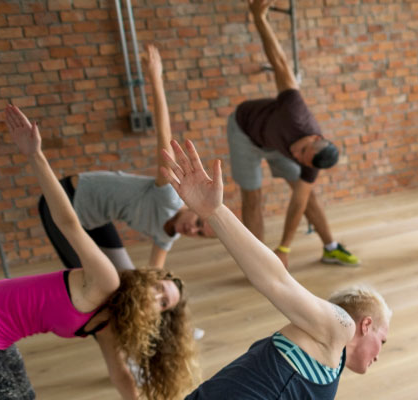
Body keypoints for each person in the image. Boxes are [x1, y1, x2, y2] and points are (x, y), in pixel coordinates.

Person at [0, 104, 198, 400]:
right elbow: (69, 223)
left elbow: (120, 374)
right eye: (159, 289)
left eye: (163, 303)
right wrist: (35, 156)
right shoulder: (106, 280)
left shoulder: (107, 325)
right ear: (146, 280)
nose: (156, 298)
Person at [158, 140, 391, 400]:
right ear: (366, 325)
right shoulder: (340, 327)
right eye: (382, 341)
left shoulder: (325, 358)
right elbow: (275, 280)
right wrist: (215, 212)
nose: (379, 354)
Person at [37, 45, 212, 273]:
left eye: (198, 234)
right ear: (194, 208)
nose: (192, 229)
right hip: (64, 200)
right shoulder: (169, 196)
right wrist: (155, 78)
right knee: (94, 281)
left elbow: (153, 275)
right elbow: (164, 136)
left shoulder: (168, 236)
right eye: (198, 223)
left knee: (129, 281)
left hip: (95, 219)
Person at [229, 0, 359, 267]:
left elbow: (297, 202)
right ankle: (257, 264)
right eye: (301, 154)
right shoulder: (294, 110)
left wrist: (285, 247)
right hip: (245, 129)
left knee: (307, 195)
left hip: (273, 142)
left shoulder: (310, 160)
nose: (297, 159)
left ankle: (331, 247)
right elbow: (278, 59)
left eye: (303, 161)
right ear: (314, 138)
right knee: (252, 196)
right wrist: (259, 17)